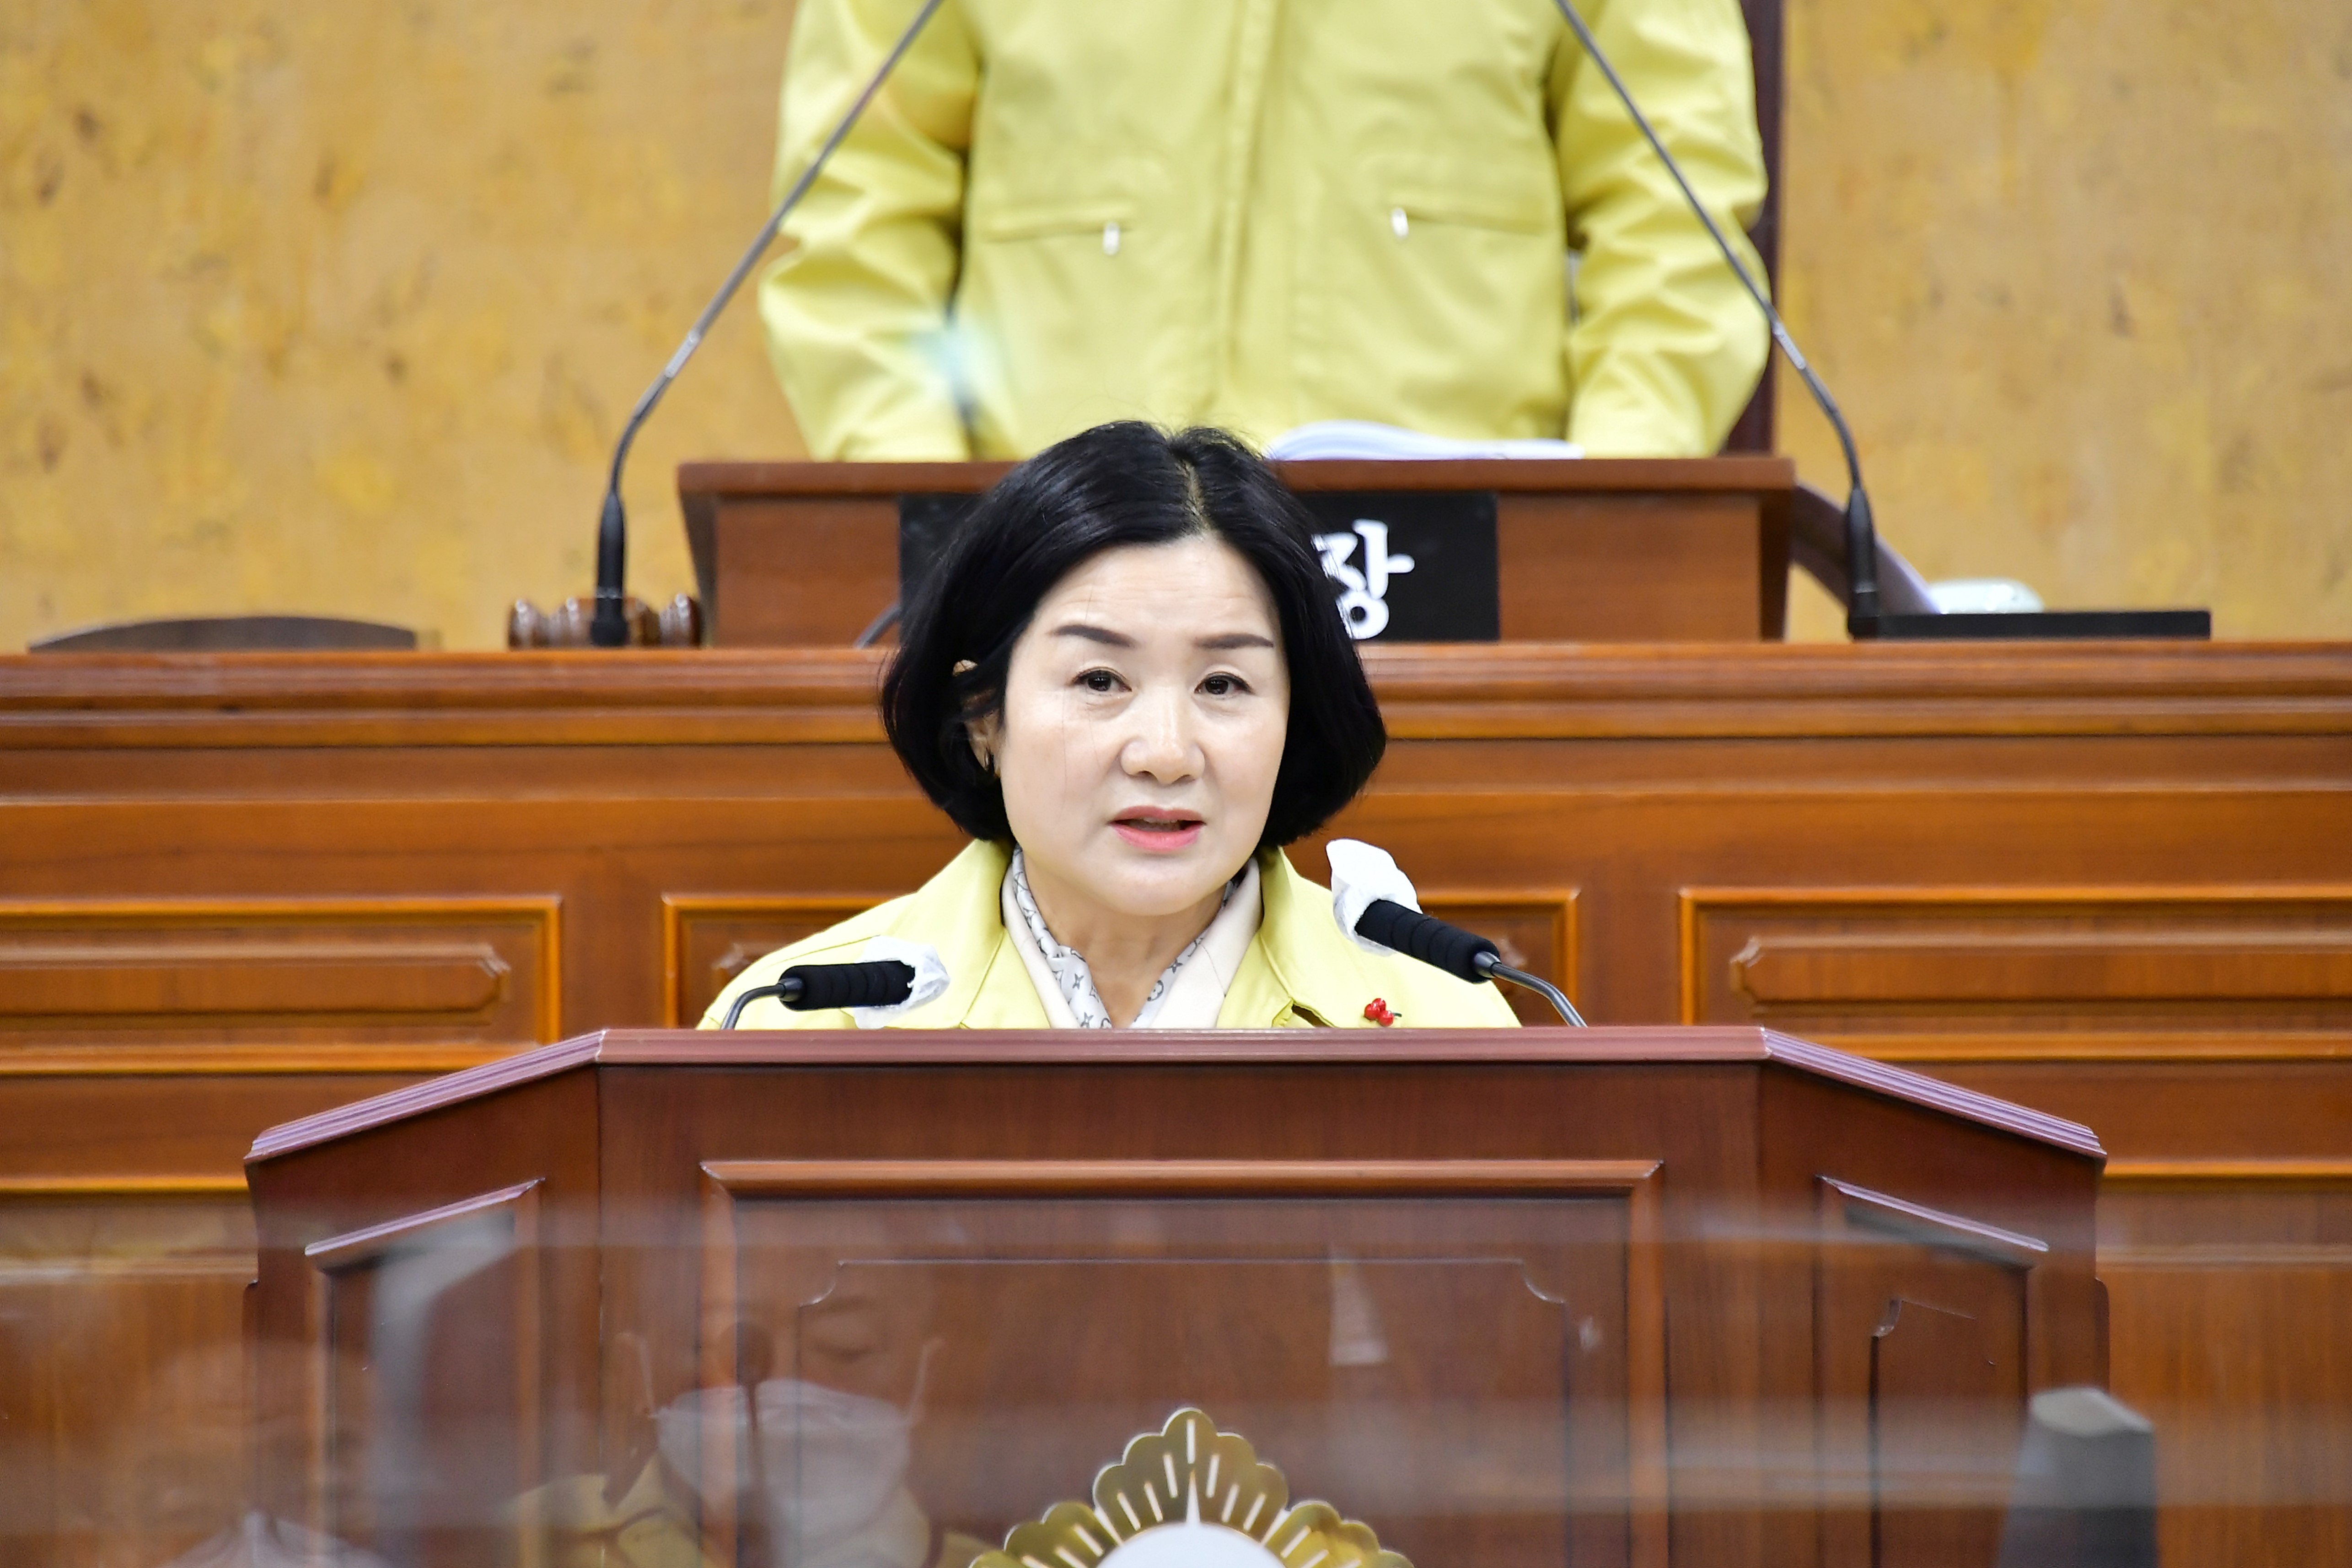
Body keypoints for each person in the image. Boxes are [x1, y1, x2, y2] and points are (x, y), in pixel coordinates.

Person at [702, 422, 1519, 1031]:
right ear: (982, 715)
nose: (1165, 753)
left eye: (1224, 683)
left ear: (1294, 718)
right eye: (1099, 679)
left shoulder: (1444, 1018)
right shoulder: (799, 1020)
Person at [758, 0, 1771, 463]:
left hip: (1459, 601)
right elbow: (859, 229)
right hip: (1054, 604)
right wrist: (943, 538)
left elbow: (1677, 228)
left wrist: (1602, 519)